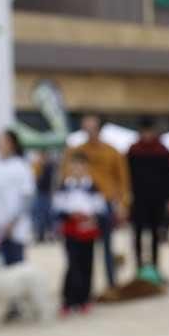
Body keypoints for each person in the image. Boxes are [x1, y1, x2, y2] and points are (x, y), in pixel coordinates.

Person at [61, 114, 130, 290]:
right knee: (82, 250)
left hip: (104, 203)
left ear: (99, 128)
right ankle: (82, 287)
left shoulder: (111, 151)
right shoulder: (76, 151)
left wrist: (123, 203)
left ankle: (111, 283)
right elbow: (65, 175)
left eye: (92, 127)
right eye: (86, 127)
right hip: (82, 205)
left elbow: (122, 179)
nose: (89, 131)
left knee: (107, 246)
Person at [53, 152, 105, 314]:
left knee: (87, 264)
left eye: (81, 166)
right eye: (74, 166)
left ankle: (84, 298)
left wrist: (91, 218)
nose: (77, 169)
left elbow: (100, 209)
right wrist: (71, 215)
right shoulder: (64, 186)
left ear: (87, 168)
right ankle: (68, 299)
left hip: (87, 230)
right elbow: (57, 209)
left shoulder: (92, 187)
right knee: (72, 264)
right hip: (71, 229)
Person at [127, 117, 169, 274]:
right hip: (138, 199)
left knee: (156, 235)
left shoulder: (162, 151)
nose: (147, 135)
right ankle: (139, 268)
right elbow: (126, 176)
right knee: (137, 235)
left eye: (149, 131)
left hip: (158, 200)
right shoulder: (133, 151)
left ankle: (156, 267)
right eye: (144, 132)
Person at [0, 130, 35, 265]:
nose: (0, 144)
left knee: (15, 270)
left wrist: (12, 223)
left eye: (4, 141)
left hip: (15, 229)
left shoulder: (22, 166)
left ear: (13, 144)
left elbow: (27, 197)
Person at [31, 150, 57, 242]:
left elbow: (53, 181)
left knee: (50, 215)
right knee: (39, 215)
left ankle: (51, 234)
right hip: (40, 193)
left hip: (48, 193)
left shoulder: (51, 166)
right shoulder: (37, 166)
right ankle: (40, 234)